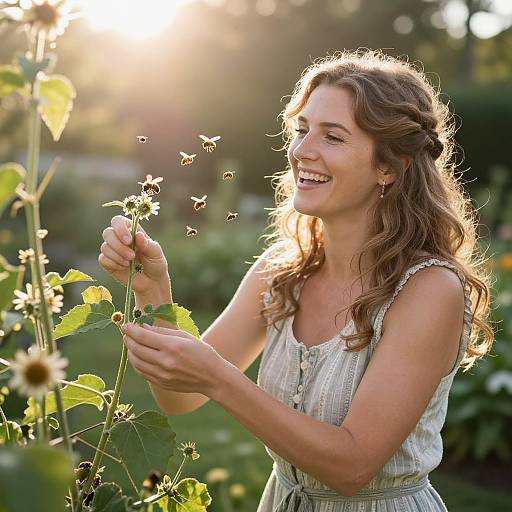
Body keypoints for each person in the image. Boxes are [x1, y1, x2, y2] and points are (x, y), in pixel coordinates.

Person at [98, 49, 494, 511]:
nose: (302, 150)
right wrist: (153, 291)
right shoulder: (281, 270)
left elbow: (352, 466)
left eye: (333, 136)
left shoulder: (427, 290)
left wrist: (221, 379)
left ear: (389, 166)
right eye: (302, 129)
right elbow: (179, 398)